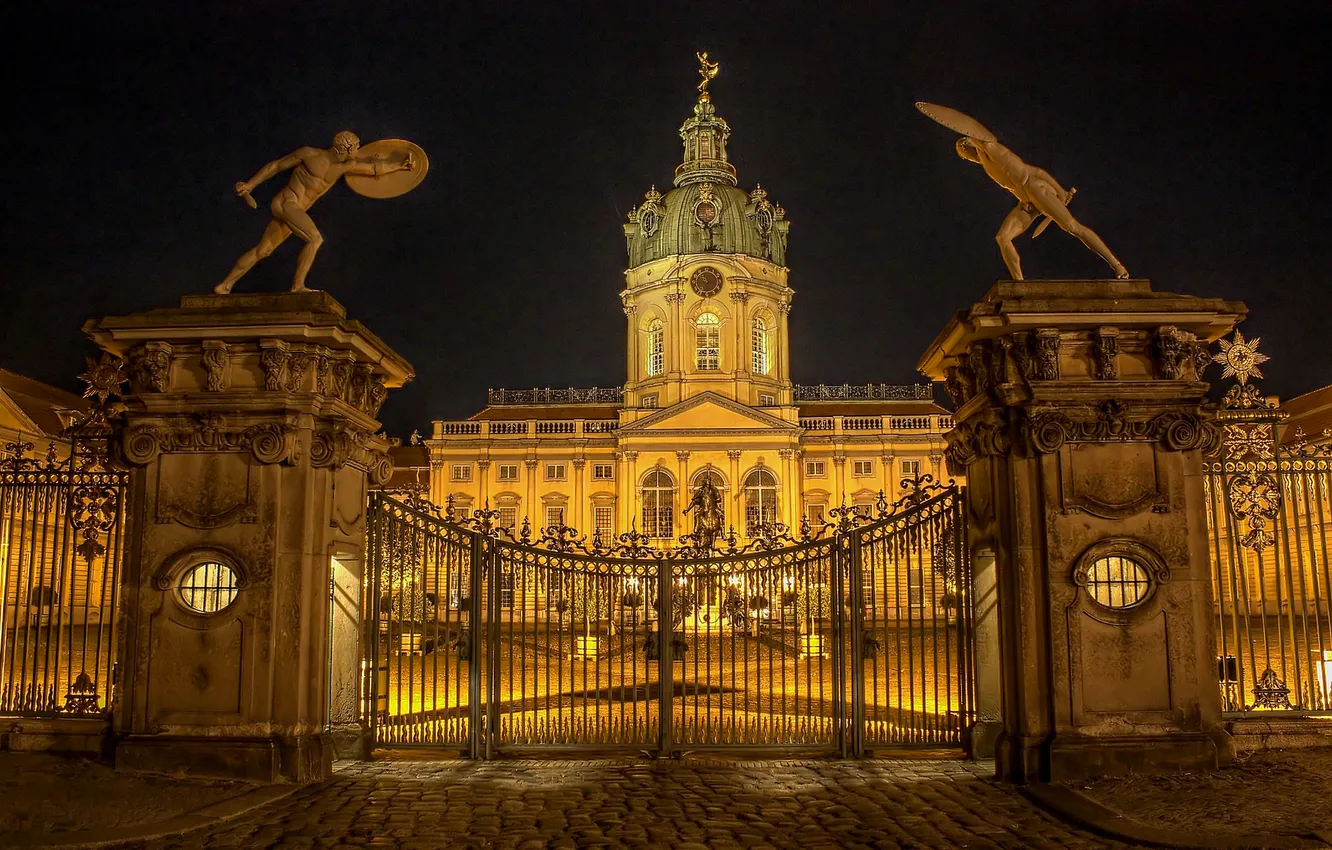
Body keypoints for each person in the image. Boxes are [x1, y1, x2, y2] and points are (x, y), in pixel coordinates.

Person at [215, 131, 413, 294]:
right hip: (287, 202)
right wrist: (250, 184)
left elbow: (372, 169)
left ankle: (225, 285)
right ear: (349, 148)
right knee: (315, 239)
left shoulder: (345, 166)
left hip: (295, 210)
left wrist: (400, 165)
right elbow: (275, 166)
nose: (360, 148)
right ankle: (297, 287)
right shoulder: (309, 154)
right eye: (358, 145)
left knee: (263, 250)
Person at [954, 135, 1128, 281]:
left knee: (1072, 227)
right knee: (1003, 237)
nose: (966, 155)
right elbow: (1014, 183)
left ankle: (1117, 266)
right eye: (963, 154)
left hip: (1037, 189)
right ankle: (1019, 284)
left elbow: (1035, 172)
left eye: (964, 150)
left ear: (972, 145)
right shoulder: (987, 164)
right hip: (1026, 200)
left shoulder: (994, 151)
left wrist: (1060, 190)